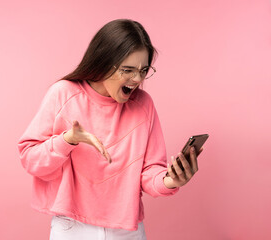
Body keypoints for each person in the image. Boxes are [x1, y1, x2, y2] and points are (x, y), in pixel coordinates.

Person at [17, 19, 202, 240]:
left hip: (127, 230)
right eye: (128, 70)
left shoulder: (143, 105)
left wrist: (172, 180)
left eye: (143, 70)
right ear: (103, 63)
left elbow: (150, 172)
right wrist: (68, 140)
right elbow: (30, 159)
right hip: (73, 227)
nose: (137, 79)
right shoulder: (63, 94)